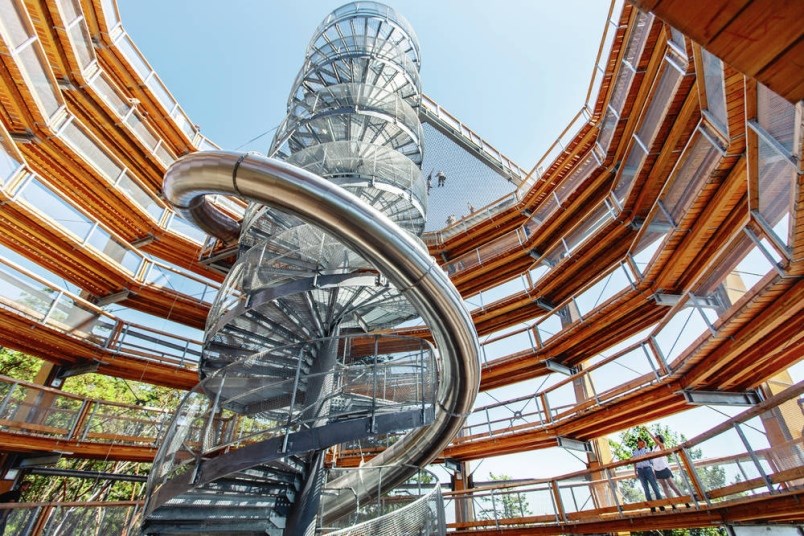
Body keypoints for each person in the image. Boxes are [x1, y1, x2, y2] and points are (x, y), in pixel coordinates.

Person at [651, 432, 689, 508]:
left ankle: (684, 501)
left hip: (664, 467)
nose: (656, 438)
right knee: (664, 487)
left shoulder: (662, 446)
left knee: (672, 485)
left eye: (657, 437)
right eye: (656, 437)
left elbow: (655, 439)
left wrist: (648, 431)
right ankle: (672, 504)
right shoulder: (653, 448)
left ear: (660, 439)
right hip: (656, 468)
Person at [632, 437, 663, 511]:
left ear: (644, 443)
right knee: (646, 489)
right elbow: (634, 461)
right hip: (640, 470)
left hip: (648, 469)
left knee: (655, 486)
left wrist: (654, 470)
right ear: (638, 444)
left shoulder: (647, 450)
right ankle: (651, 506)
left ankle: (661, 504)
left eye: (642, 442)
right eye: (639, 442)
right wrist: (635, 471)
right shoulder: (635, 452)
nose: (640, 443)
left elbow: (651, 460)